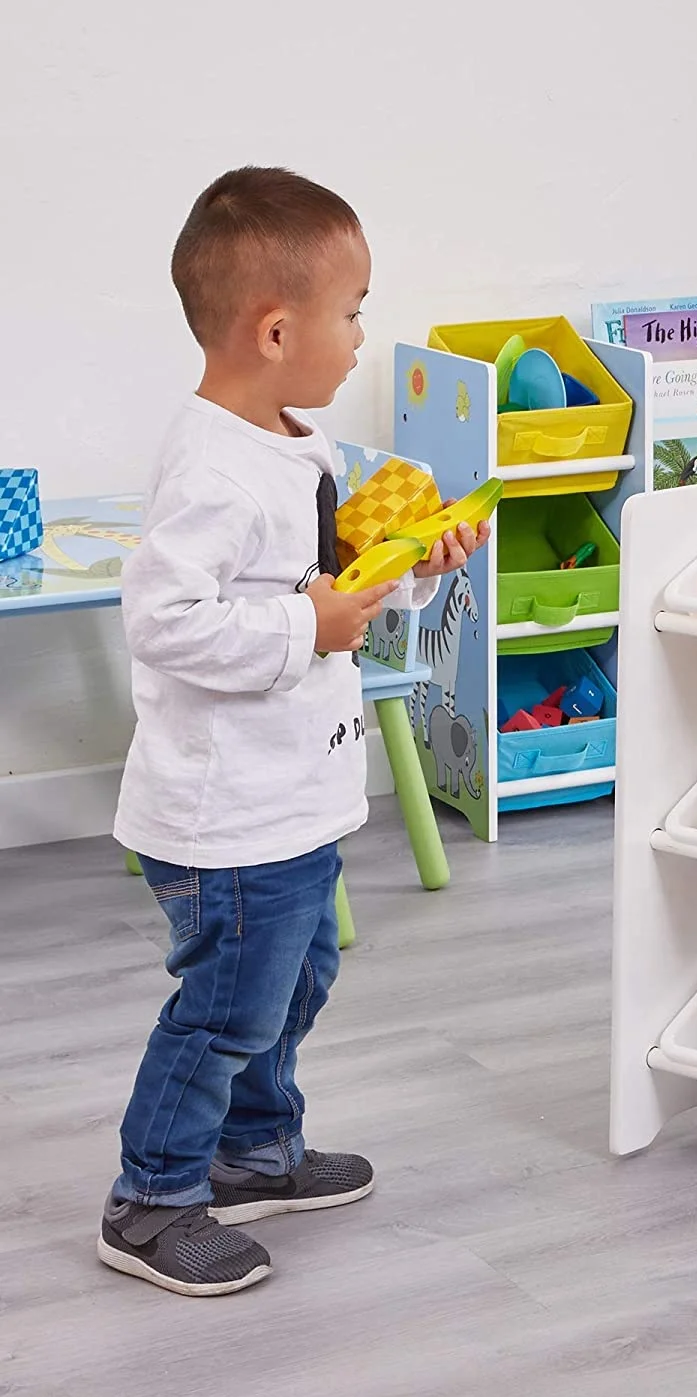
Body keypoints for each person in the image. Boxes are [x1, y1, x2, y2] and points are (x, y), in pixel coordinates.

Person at [99, 166, 488, 1295]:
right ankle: (152, 1197)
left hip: (295, 799)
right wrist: (301, 621)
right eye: (354, 310)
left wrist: (405, 572)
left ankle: (253, 1152)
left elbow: (331, 594)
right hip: (226, 818)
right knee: (226, 1010)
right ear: (277, 329)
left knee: (295, 982)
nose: (365, 335)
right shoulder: (215, 468)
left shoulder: (293, 442)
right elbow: (166, 621)